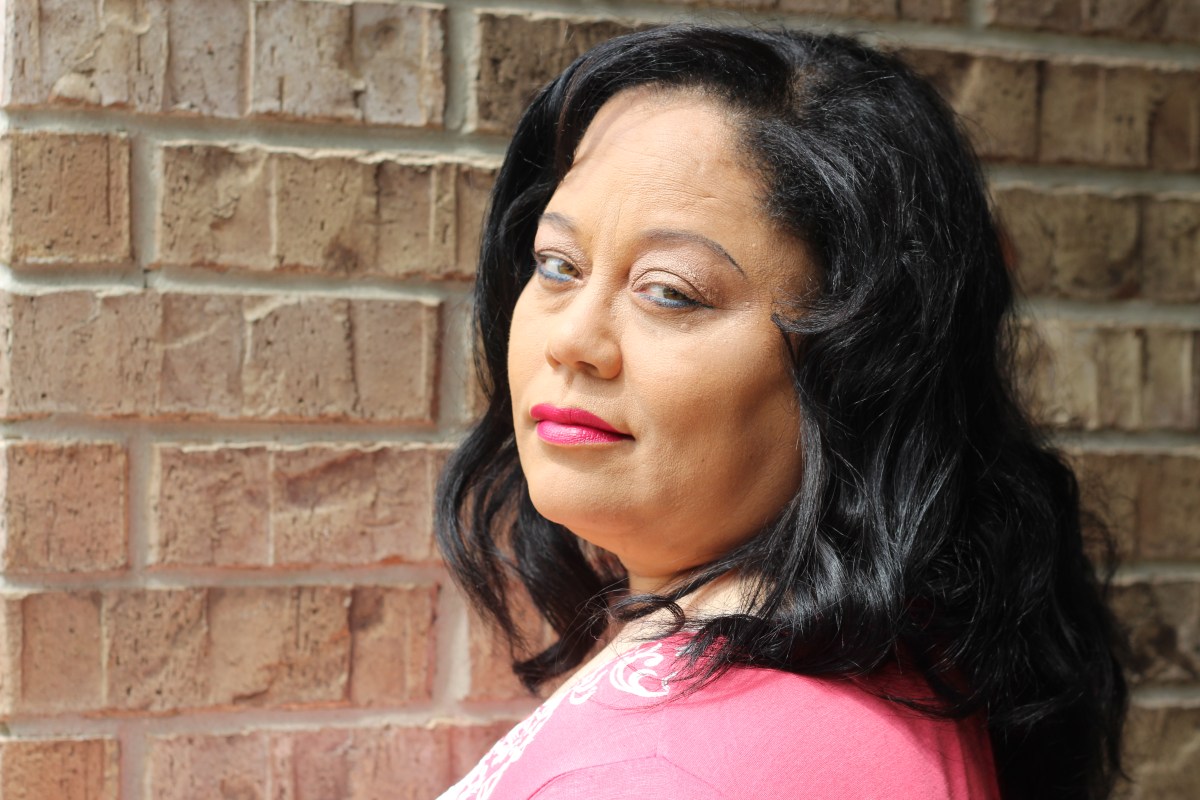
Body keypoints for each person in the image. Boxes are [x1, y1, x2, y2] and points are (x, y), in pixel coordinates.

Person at [435, 25, 1127, 800]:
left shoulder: (671, 771)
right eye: (558, 265)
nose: (572, 341)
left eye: (670, 291)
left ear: (861, 363)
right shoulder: (880, 659)